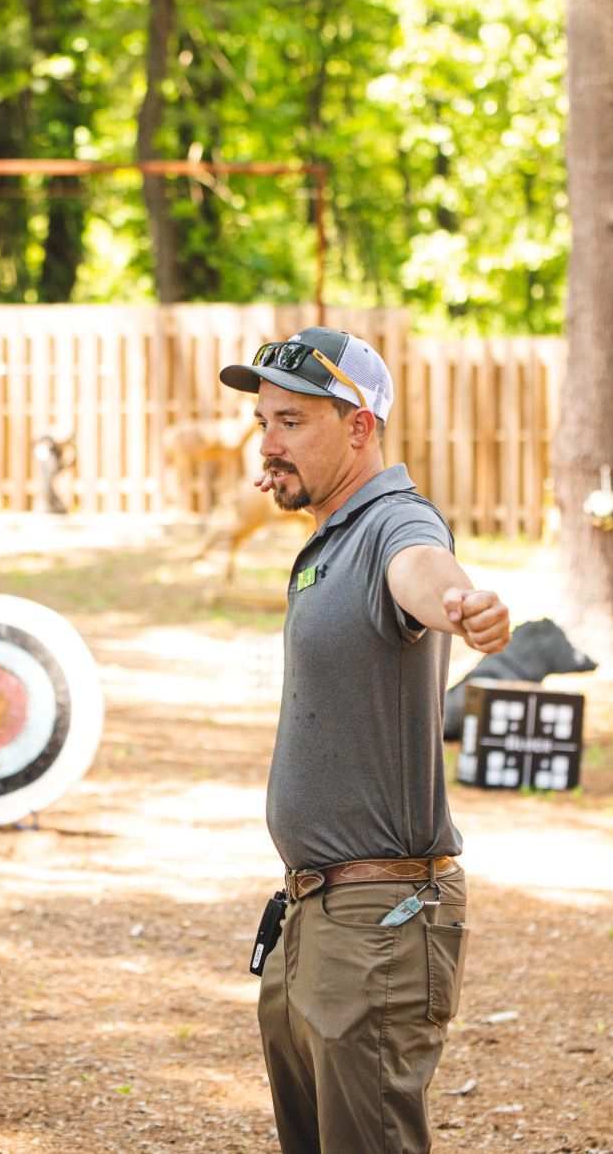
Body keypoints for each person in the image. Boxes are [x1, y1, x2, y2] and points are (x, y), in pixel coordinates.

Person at [221, 325, 511, 1154]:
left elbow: (425, 569)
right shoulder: (327, 539)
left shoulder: (393, 520)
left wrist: (464, 604)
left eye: (292, 423)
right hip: (314, 911)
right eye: (264, 421)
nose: (268, 443)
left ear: (358, 428)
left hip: (379, 921)